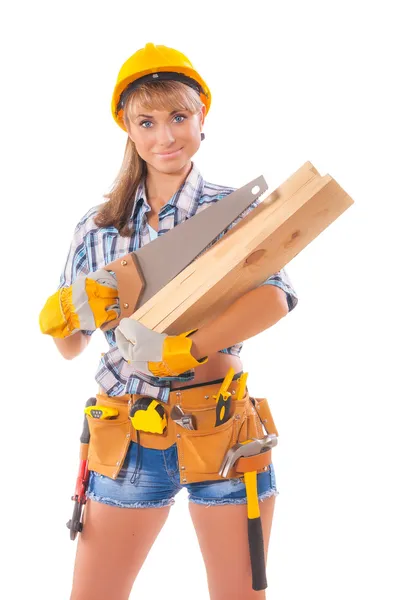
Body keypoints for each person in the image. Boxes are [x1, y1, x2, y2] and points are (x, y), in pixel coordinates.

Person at [39, 43, 298, 600]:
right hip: (129, 434)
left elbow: (275, 298)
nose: (166, 136)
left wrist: (192, 346)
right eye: (147, 121)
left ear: (203, 118)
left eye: (179, 117)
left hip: (222, 431)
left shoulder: (234, 211)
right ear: (128, 130)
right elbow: (71, 348)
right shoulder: (99, 228)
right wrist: (65, 317)